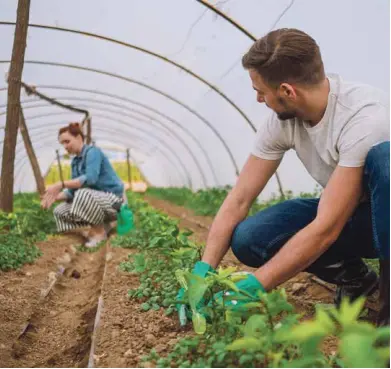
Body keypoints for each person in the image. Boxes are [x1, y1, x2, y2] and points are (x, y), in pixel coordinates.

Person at [179, 28, 390, 326]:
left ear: (288, 91)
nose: (257, 98)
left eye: (260, 91)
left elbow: (326, 229)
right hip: (359, 214)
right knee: (250, 238)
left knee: (387, 160)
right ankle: (358, 281)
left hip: (387, 220)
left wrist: (255, 285)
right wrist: (202, 271)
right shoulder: (282, 121)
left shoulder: (365, 118)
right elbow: (239, 198)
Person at [41, 122, 125, 247]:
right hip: (97, 203)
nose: (65, 146)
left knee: (82, 193)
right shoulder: (75, 162)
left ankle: (99, 233)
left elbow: (90, 179)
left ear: (79, 138)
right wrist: (54, 197)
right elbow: (71, 192)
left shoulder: (93, 152)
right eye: (62, 143)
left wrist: (61, 184)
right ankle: (91, 231)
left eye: (67, 141)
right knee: (60, 211)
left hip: (115, 203)